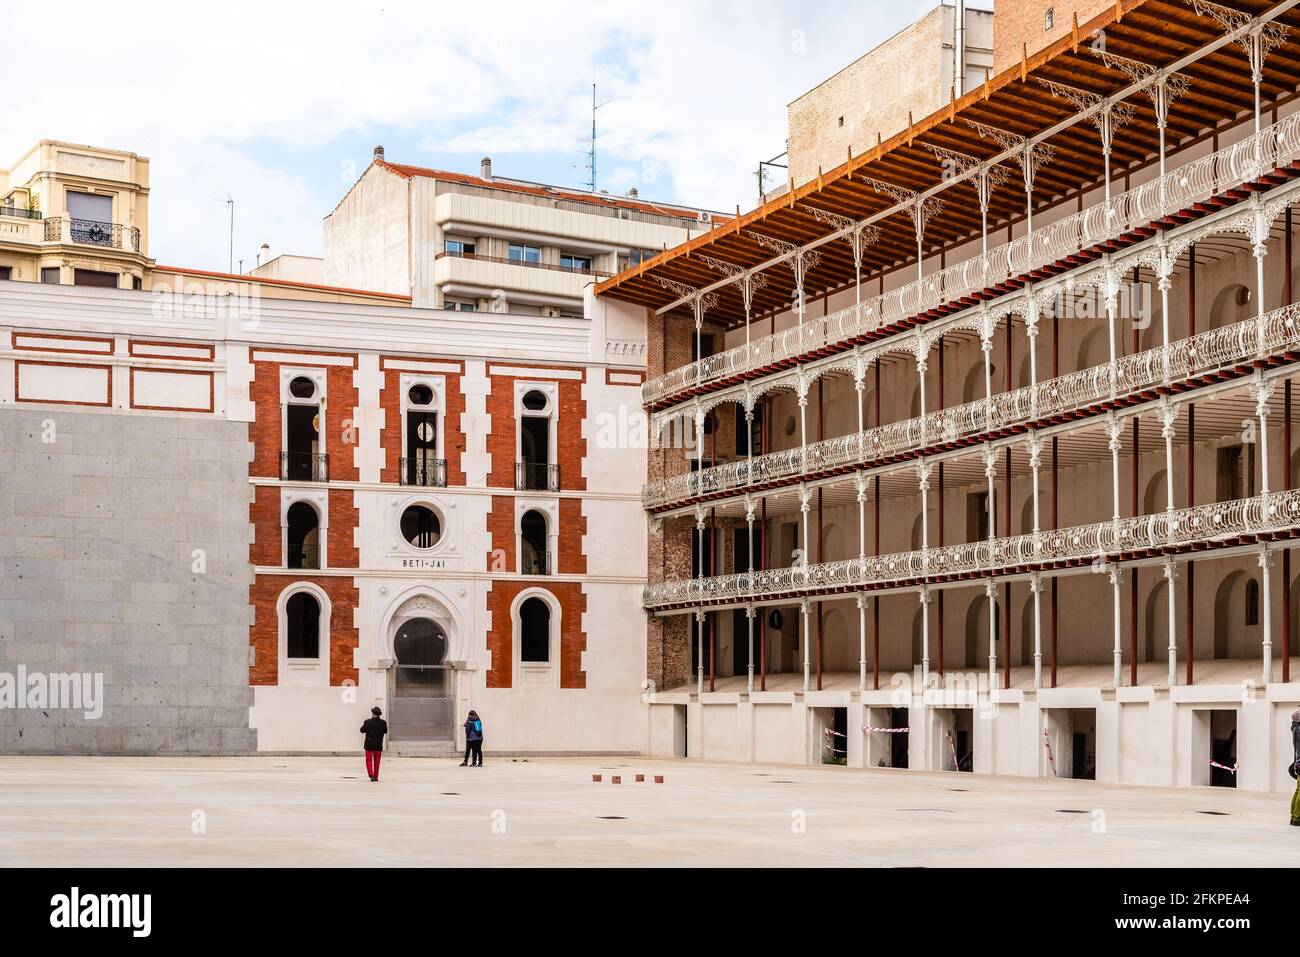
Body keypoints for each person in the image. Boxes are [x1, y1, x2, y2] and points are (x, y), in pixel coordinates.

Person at [360, 706, 388, 782]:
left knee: (369, 760)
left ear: (372, 713)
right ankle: (376, 777)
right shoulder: (383, 722)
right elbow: (385, 731)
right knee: (377, 762)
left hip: (369, 744)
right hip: (378, 745)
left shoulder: (367, 722)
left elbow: (362, 730)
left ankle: (370, 774)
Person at [1290, 708, 1300, 827]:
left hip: (1297, 762)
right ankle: (1297, 818)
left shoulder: (1295, 728)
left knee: (1298, 790)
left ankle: (1294, 815)